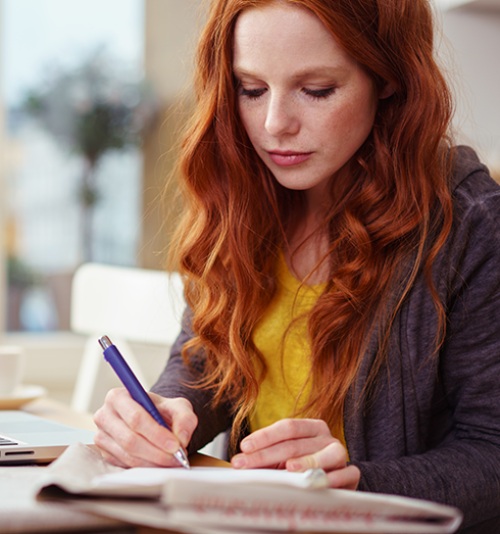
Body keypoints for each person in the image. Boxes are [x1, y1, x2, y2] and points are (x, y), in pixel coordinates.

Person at [93, 0, 500, 530]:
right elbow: (207, 366)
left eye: (317, 90)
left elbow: (491, 450)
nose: (273, 124)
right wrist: (164, 414)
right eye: (251, 89)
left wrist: (355, 481)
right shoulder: (244, 195)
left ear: (389, 79)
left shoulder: (471, 222)